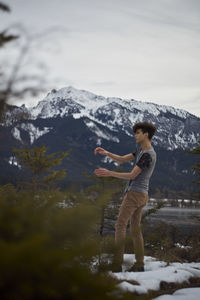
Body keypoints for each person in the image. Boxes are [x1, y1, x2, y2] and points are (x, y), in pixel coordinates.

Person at [94, 121, 157, 272]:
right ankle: (140, 264)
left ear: (146, 134)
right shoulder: (141, 151)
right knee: (135, 229)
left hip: (135, 194)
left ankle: (117, 264)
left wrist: (110, 173)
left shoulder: (148, 154)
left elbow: (132, 175)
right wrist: (107, 153)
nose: (135, 135)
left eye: (138, 133)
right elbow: (122, 159)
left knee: (120, 226)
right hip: (142, 194)